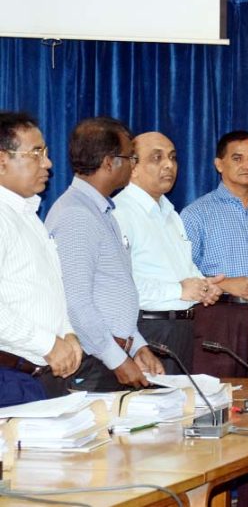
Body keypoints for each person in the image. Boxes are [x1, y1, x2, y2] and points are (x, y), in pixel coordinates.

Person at [43, 117, 163, 394]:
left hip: (109, 355)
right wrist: (117, 359)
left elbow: (110, 290)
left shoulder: (100, 210)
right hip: (92, 362)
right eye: (130, 157)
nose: (134, 164)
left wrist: (137, 344)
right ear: (109, 162)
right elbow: (76, 302)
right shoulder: (77, 215)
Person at [113, 132, 223, 374]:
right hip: (146, 331)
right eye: (157, 158)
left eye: (173, 158)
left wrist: (203, 286)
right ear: (132, 166)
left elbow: (183, 269)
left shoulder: (171, 213)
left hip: (181, 329)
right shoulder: (120, 213)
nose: (169, 165)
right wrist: (179, 290)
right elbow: (117, 286)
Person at [0, 112, 81, 406]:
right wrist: (47, 343)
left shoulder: (28, 215)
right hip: (8, 378)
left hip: (40, 375)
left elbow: (50, 290)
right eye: (36, 153)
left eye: (45, 153)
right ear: (1, 160)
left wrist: (68, 333)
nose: (47, 163)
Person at [181, 130, 248, 378]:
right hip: (218, 318)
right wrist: (225, 284)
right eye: (237, 158)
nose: (247, 165)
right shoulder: (196, 213)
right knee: (218, 397)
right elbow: (181, 273)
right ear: (219, 164)